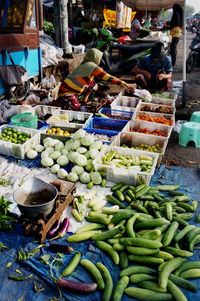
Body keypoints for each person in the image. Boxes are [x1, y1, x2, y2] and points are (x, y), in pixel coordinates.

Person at [57, 48, 136, 109]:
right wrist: (124, 83)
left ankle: (76, 104)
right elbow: (107, 77)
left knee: (92, 83)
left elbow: (89, 87)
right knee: (77, 111)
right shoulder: (91, 66)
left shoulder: (86, 65)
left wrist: (84, 102)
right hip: (66, 93)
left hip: (70, 93)